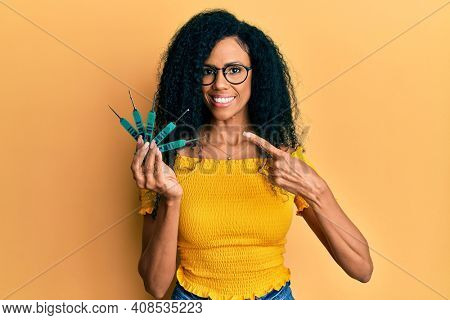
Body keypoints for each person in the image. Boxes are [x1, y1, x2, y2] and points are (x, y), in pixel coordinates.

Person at [132, 9, 373, 300]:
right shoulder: (165, 163)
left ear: (256, 76)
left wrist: (316, 190)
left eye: (234, 70)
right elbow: (156, 287)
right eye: (207, 71)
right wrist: (171, 200)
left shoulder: (283, 159)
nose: (220, 84)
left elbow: (362, 269)